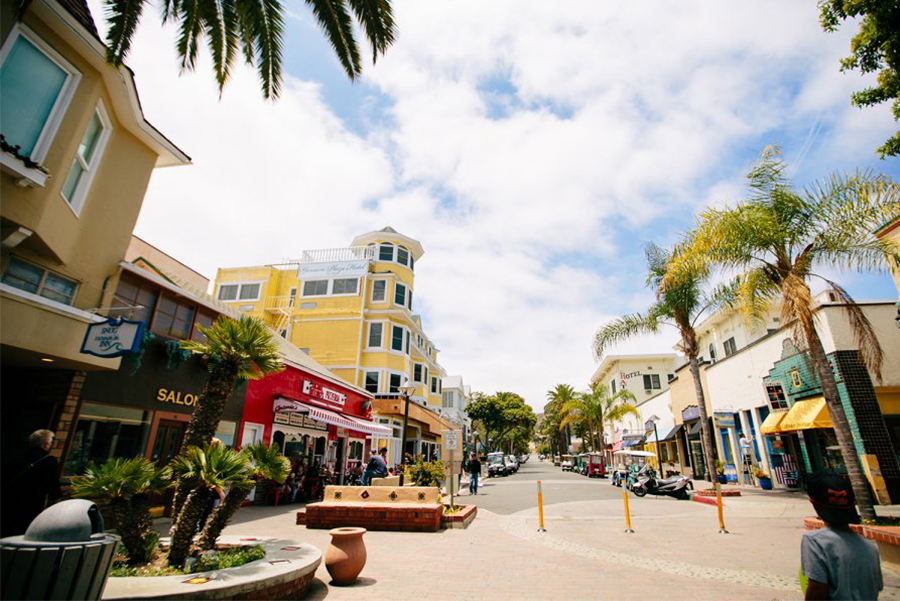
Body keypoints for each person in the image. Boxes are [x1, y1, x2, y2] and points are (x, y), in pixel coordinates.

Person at [801, 471, 882, 600]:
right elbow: (876, 588)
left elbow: (817, 590)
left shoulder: (815, 541)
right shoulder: (871, 547)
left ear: (812, 502)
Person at [1, 430, 62, 536]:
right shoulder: (48, 460)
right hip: (31, 503)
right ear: (46, 444)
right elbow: (53, 486)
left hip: (9, 500)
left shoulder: (17, 455)